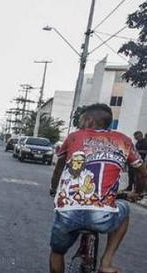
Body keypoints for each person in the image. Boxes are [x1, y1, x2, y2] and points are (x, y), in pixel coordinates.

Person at [49, 104, 147, 273]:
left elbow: (59, 168)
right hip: (101, 216)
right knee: (124, 210)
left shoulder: (73, 137)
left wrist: (54, 188)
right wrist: (138, 192)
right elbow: (142, 173)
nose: (79, 124)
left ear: (89, 120)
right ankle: (106, 262)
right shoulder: (123, 140)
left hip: (68, 212)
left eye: (81, 120)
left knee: (57, 253)